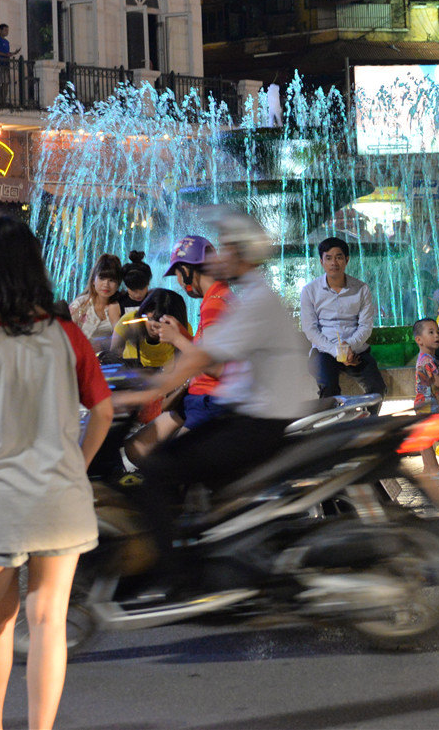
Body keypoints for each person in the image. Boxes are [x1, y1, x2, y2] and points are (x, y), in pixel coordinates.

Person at [0, 217, 113, 730]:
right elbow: (102, 412)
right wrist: (75, 465)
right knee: (49, 621)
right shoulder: (69, 334)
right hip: (61, 498)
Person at [114, 211, 317, 596]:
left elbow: (206, 360)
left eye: (226, 248)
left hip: (250, 419)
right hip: (241, 412)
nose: (218, 257)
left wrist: (147, 391)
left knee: (157, 471)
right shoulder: (241, 296)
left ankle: (180, 577)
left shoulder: (224, 301)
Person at [299, 236, 384, 401]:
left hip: (356, 349)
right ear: (321, 261)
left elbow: (365, 326)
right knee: (329, 389)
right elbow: (310, 329)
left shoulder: (361, 289)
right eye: (328, 258)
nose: (334, 263)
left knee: (377, 388)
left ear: (347, 260)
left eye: (338, 257)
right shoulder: (310, 291)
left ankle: (367, 423)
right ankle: (333, 425)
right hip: (324, 351)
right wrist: (337, 351)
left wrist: (349, 348)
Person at [164, 236, 234, 434]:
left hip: (209, 401)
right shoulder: (216, 296)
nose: (178, 282)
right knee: (136, 447)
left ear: (186, 271)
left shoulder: (215, 303)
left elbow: (215, 366)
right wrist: (183, 335)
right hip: (199, 398)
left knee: (162, 460)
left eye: (177, 274)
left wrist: (176, 339)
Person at [412, 318, 439, 480]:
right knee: (427, 438)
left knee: (424, 438)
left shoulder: (426, 358)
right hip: (427, 403)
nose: (437, 335)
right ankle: (434, 469)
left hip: (425, 402)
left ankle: (428, 468)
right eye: (431, 332)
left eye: (437, 331)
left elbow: (434, 379)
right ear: (419, 340)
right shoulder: (428, 360)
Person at [69, 254, 124, 352]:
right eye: (102, 278)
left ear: (118, 284)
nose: (106, 285)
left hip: (107, 363)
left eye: (111, 280)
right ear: (93, 280)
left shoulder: (121, 307)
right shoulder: (80, 304)